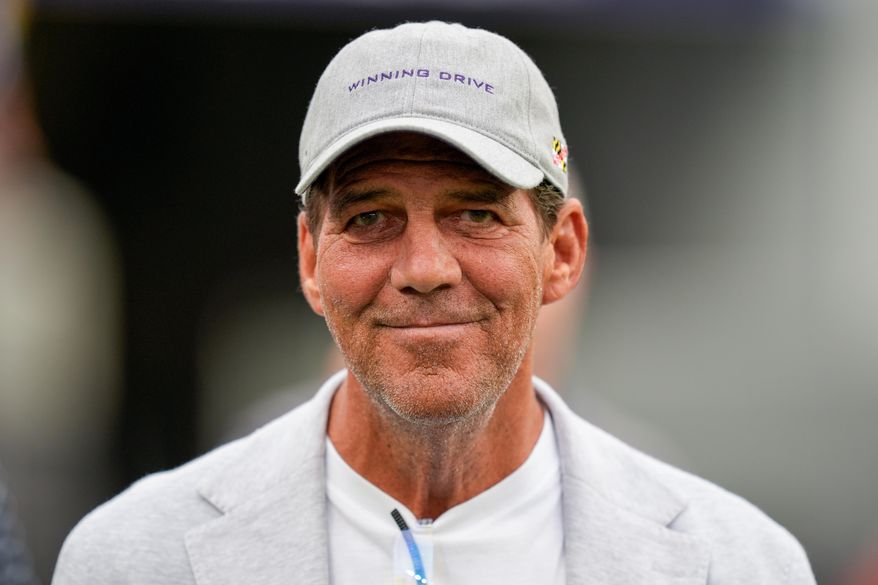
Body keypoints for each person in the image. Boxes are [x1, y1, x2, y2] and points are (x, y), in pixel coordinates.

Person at [52, 21, 815, 584]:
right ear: (311, 260)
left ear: (562, 251)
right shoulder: (131, 558)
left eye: (475, 213)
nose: (423, 267)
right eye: (370, 217)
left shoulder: (739, 565)